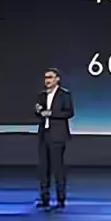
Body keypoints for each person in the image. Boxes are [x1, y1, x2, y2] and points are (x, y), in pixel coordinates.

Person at [35, 68, 74, 210]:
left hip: (58, 136)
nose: (47, 80)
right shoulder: (41, 95)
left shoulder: (64, 95)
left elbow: (69, 112)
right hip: (44, 135)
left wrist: (51, 113)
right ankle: (44, 198)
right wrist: (38, 111)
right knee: (44, 168)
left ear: (57, 79)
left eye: (50, 77)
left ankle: (60, 199)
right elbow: (38, 111)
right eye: (46, 77)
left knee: (58, 168)